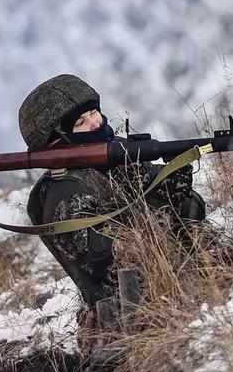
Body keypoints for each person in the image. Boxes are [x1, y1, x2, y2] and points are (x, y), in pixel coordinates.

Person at [20, 74, 206, 305]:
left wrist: (173, 179)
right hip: (126, 311)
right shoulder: (64, 190)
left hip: (175, 280)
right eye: (80, 123)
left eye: (93, 113)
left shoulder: (111, 157)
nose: (95, 123)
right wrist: (158, 206)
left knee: (189, 203)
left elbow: (155, 186)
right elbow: (105, 256)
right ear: (58, 142)